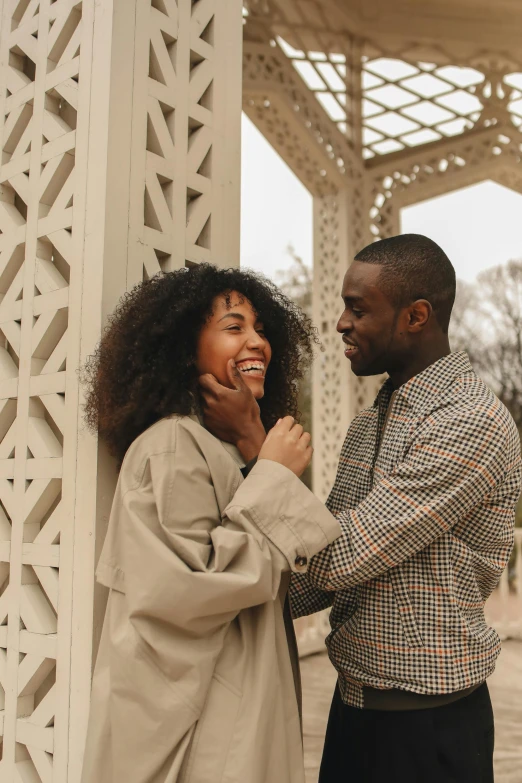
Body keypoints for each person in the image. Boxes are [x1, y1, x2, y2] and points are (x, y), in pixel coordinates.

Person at [200, 235, 522, 783]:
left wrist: (258, 444)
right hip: (353, 715)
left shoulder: (470, 422)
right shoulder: (370, 423)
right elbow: (311, 581)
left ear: (416, 315)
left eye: (358, 308)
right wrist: (207, 585)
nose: (341, 323)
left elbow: (338, 558)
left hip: (430, 732)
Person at [80, 263, 340, 783]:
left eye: (261, 329)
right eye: (233, 326)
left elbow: (311, 567)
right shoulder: (174, 443)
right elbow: (190, 588)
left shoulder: (218, 446)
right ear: (183, 347)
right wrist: (272, 471)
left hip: (239, 697)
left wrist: (255, 447)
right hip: (209, 725)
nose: (257, 342)